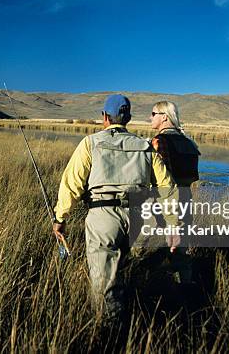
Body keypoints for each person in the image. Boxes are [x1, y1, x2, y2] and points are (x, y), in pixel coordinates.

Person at [52, 94, 174, 322]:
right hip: (137, 219)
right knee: (126, 272)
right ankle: (133, 317)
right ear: (127, 118)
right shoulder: (145, 146)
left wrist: (60, 217)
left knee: (104, 284)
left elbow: (71, 183)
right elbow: (168, 187)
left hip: (103, 218)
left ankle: (108, 330)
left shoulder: (91, 143)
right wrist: (173, 225)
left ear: (105, 116)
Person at [149, 101, 200, 283]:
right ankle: (185, 287)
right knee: (182, 248)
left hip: (164, 199)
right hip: (186, 197)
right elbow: (193, 176)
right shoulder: (189, 143)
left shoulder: (159, 142)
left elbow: (154, 176)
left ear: (164, 117)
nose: (150, 117)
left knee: (160, 246)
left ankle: (163, 288)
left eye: (153, 113)